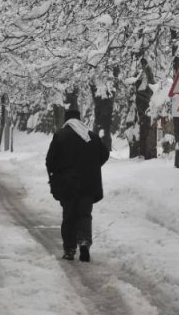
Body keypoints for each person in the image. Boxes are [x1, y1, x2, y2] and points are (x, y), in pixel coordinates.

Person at [45, 108, 109, 262]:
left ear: (66, 121)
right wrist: (93, 167)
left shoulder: (60, 136)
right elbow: (104, 154)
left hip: (68, 184)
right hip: (88, 184)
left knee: (69, 216)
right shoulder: (91, 136)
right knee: (85, 215)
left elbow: (50, 160)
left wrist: (55, 176)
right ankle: (84, 243)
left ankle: (69, 249)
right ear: (79, 120)